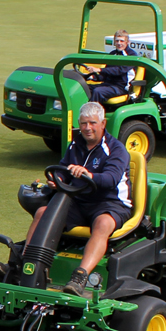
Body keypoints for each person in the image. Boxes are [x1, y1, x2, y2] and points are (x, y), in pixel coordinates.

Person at [21, 102, 131, 298]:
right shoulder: (75, 144)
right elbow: (63, 167)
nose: (87, 128)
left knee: (103, 223)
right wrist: (57, 180)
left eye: (92, 123)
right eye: (83, 123)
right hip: (79, 200)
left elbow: (111, 179)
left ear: (103, 123)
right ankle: (25, 264)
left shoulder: (116, 149)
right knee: (42, 213)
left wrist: (88, 175)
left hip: (110, 202)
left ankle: (80, 276)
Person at [83, 29, 135, 106]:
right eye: (117, 41)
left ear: (127, 42)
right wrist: (92, 76)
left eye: (122, 41)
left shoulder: (131, 55)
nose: (119, 43)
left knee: (98, 91)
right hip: (108, 85)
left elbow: (119, 71)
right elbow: (106, 74)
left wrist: (99, 69)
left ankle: (92, 115)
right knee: (84, 88)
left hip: (121, 87)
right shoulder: (113, 54)